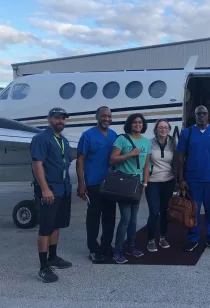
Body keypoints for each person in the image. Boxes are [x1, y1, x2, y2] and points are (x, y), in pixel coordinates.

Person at [30, 107, 73, 283]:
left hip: (63, 189)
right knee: (46, 228)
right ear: (49, 119)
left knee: (57, 225)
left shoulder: (64, 140)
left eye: (63, 118)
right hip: (49, 190)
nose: (60, 121)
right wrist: (45, 189)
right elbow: (37, 164)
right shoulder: (41, 138)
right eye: (57, 118)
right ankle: (43, 267)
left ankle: (53, 257)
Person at [176, 105, 210, 252]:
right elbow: (180, 157)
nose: (202, 116)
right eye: (199, 114)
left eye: (204, 113)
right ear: (195, 115)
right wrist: (181, 179)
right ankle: (193, 238)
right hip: (192, 180)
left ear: (208, 115)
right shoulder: (187, 133)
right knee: (193, 211)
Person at [76, 106, 118, 263]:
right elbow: (80, 160)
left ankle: (106, 246)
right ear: (97, 117)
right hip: (93, 183)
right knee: (94, 217)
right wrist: (81, 184)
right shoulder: (87, 135)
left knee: (110, 217)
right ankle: (93, 248)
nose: (106, 119)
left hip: (110, 183)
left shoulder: (113, 135)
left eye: (109, 116)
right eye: (103, 116)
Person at [110, 113, 152, 264]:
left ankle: (131, 246)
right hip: (124, 183)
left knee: (134, 218)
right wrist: (130, 154)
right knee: (126, 218)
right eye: (134, 122)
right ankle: (118, 250)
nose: (137, 125)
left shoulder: (146, 142)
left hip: (138, 183)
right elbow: (112, 159)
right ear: (130, 124)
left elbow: (147, 164)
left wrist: (145, 183)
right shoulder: (122, 139)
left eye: (140, 122)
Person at [146, 119, 177, 252]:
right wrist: (144, 181)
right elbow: (146, 163)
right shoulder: (149, 143)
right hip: (153, 182)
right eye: (160, 127)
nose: (163, 129)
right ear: (156, 129)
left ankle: (163, 237)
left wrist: (178, 180)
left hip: (168, 181)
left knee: (165, 211)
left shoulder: (173, 143)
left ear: (169, 129)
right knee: (154, 212)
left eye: (166, 127)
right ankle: (151, 240)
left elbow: (177, 161)